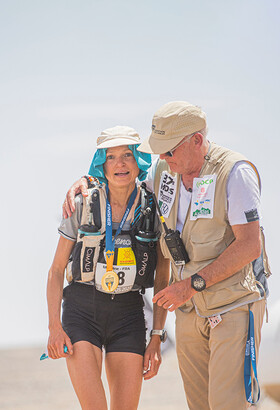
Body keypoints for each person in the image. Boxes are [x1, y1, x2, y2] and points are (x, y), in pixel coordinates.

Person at [63, 102, 270, 410]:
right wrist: (88, 179)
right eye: (159, 150)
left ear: (197, 141)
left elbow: (250, 246)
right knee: (199, 405)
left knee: (227, 403)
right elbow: (122, 180)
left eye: (169, 150)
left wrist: (193, 284)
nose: (162, 157)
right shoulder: (164, 171)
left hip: (232, 304)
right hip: (188, 310)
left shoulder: (235, 173)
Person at [47, 125, 169, 410]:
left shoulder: (156, 209)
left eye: (127, 154)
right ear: (102, 163)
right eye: (111, 157)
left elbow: (163, 275)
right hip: (81, 311)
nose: (120, 163)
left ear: (139, 160)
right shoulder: (81, 203)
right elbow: (55, 271)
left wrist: (156, 336)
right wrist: (54, 326)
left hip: (128, 314)